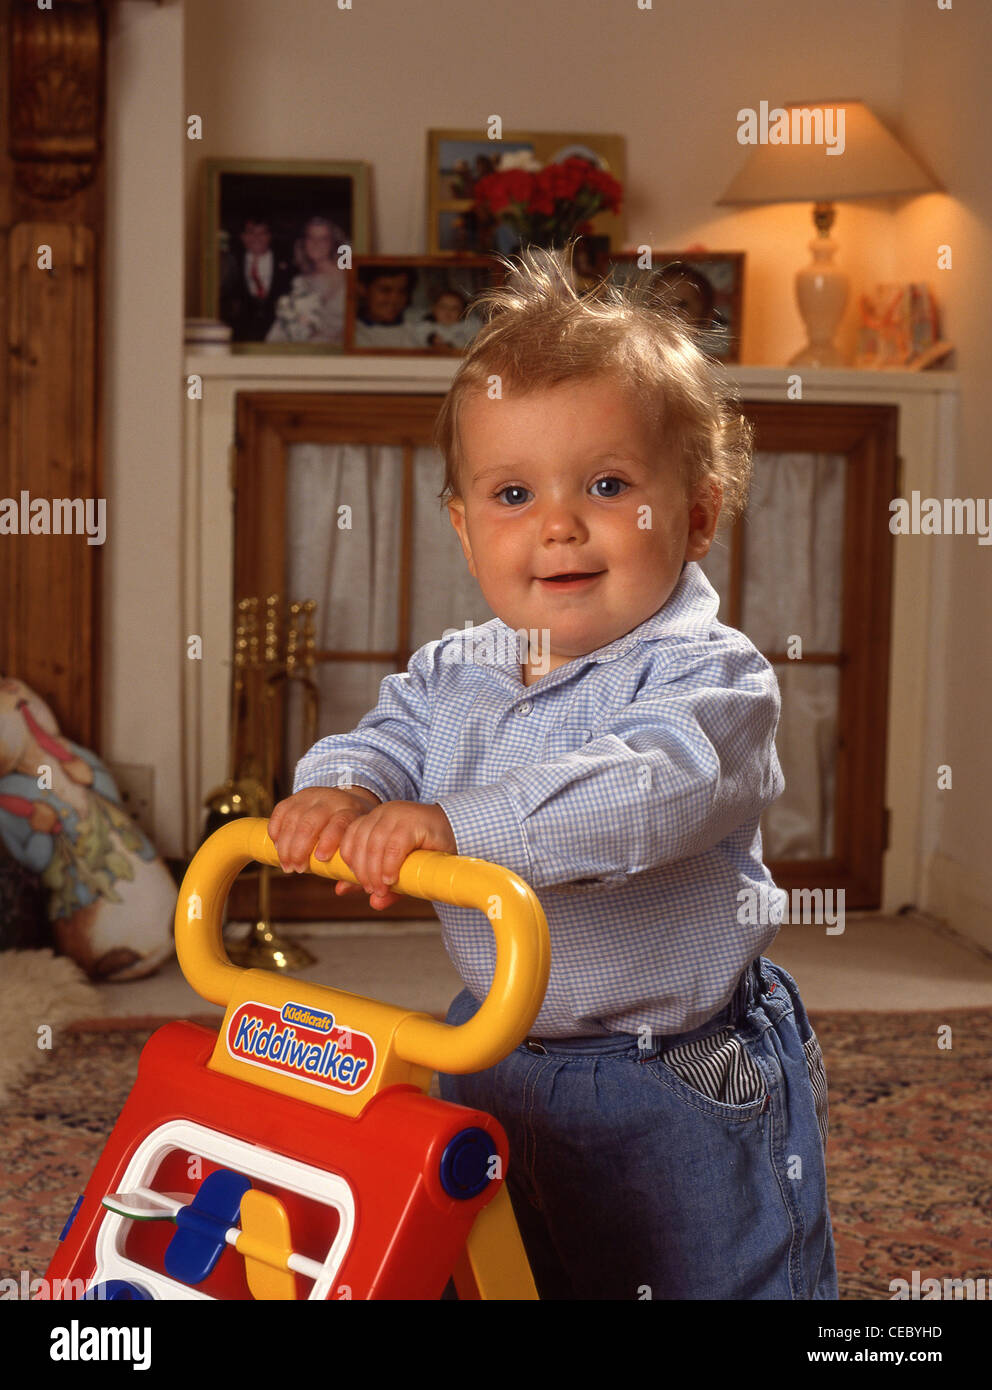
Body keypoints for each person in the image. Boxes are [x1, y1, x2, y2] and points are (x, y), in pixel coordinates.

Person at [267, 241, 837, 1302]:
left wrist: (456, 823)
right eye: (513, 491)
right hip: (490, 1047)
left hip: (674, 1073)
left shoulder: (713, 680)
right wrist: (344, 788)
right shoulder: (455, 667)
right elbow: (386, 739)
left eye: (608, 484)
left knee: (712, 1276)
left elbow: (644, 789)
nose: (558, 523)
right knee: (516, 1267)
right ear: (463, 525)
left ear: (698, 512)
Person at [266, 215, 347, 345]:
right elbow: (285, 325)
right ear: (304, 242)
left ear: (333, 243)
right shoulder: (300, 282)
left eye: (323, 239)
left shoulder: (349, 275)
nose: (316, 243)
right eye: (311, 237)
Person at [218, 215, 294, 342]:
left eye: (262, 233)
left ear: (270, 236)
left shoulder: (287, 261)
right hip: (241, 334)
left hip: (278, 333)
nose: (256, 238)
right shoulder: (231, 261)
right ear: (242, 236)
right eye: (251, 232)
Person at [353, 266, 419, 347]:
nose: (394, 300)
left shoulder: (418, 329)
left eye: (402, 291)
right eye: (385, 290)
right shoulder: (350, 331)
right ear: (362, 289)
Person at [410, 287, 481, 350]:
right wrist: (431, 339)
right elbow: (420, 335)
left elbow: (469, 344)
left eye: (454, 308)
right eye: (443, 307)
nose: (448, 311)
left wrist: (450, 346)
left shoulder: (467, 327)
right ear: (434, 309)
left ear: (463, 312)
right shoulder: (426, 326)